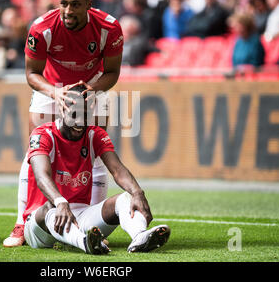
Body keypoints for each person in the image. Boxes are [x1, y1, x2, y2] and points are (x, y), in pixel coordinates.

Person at [3, 0, 123, 247]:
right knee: (34, 153)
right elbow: (31, 73)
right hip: (52, 88)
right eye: (64, 4)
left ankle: (92, 226)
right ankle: (22, 223)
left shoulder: (109, 27)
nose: (68, 10)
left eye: (76, 5)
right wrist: (57, 93)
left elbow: (113, 72)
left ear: (89, 5)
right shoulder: (41, 27)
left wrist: (88, 90)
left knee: (98, 154)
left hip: (92, 88)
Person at [23, 84, 171, 254]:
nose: (80, 122)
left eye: (85, 116)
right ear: (62, 110)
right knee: (51, 208)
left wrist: (137, 192)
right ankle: (84, 242)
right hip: (41, 224)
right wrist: (60, 202)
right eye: (74, 114)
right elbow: (42, 176)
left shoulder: (95, 134)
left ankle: (140, 237)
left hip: (80, 216)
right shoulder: (42, 134)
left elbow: (117, 170)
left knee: (126, 198)